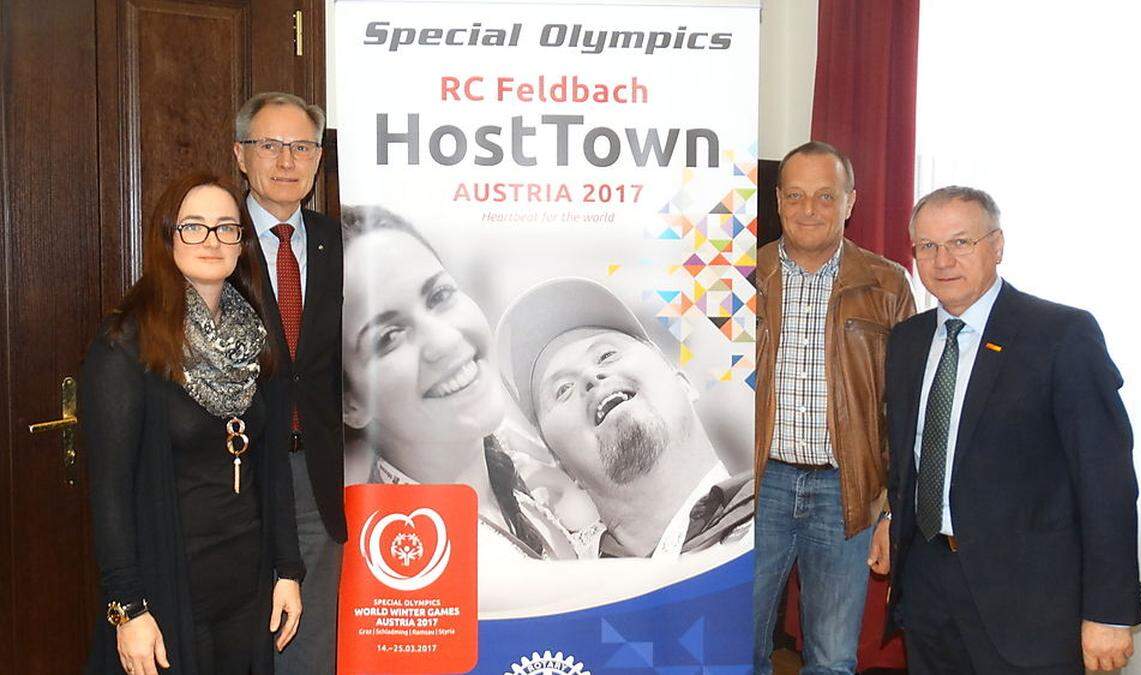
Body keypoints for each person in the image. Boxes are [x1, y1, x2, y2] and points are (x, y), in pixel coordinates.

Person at [883, 186, 1141, 673]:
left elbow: (1106, 481)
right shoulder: (907, 341)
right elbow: (912, 456)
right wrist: (890, 521)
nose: (943, 260)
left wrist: (1109, 610)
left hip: (1027, 605)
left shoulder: (1061, 336)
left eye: (960, 242)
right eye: (927, 246)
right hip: (927, 589)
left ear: (997, 245)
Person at [81, 173, 303, 675]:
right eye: (194, 227)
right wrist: (128, 609)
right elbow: (109, 491)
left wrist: (287, 570)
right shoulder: (127, 341)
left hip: (246, 586)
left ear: (242, 243)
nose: (211, 241)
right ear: (168, 237)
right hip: (167, 589)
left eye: (227, 228)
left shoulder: (256, 338)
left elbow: (272, 469)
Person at [753, 141, 916, 674]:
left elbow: (907, 408)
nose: (808, 209)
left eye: (825, 196)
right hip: (755, 489)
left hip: (845, 491)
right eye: (795, 195)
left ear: (850, 202)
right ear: (778, 200)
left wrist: (892, 504)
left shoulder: (888, 283)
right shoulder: (738, 279)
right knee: (737, 646)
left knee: (831, 657)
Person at [339, 204, 578, 561]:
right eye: (388, 337)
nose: (445, 341)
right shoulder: (402, 553)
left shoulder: (536, 482)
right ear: (350, 402)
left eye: (439, 296)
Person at [496, 277, 754, 559]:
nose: (589, 376)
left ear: (683, 381)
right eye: (563, 390)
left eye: (606, 354)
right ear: (563, 465)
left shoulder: (783, 529)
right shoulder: (558, 589)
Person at [232, 91, 344, 674]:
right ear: (240, 155)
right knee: (233, 637)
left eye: (301, 146)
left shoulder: (342, 244)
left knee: (308, 643)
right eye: (269, 145)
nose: (286, 160)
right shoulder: (215, 241)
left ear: (317, 158)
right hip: (230, 476)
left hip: (313, 473)